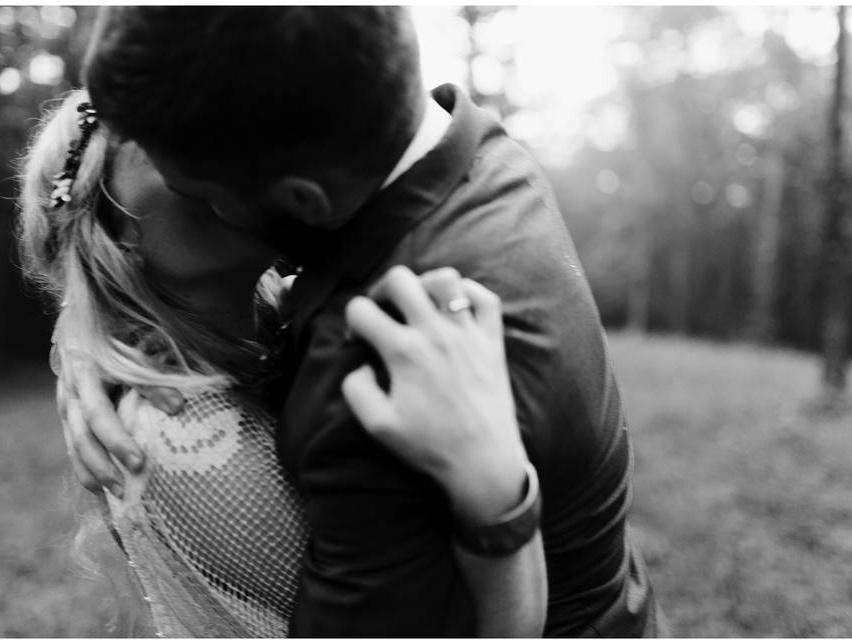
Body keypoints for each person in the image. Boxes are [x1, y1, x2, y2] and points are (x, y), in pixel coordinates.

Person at [62, 6, 663, 636]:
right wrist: (97, 317)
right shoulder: (474, 150)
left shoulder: (373, 365)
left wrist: (499, 514)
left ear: (302, 200)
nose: (208, 210)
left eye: (203, 197)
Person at [20, 90, 546, 637]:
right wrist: (500, 507)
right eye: (168, 145)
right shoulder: (188, 439)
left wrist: (80, 332)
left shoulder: (283, 316)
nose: (232, 161)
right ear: (114, 228)